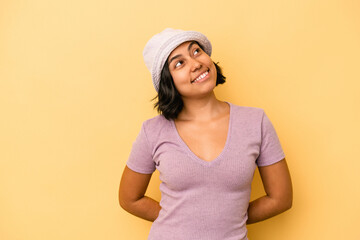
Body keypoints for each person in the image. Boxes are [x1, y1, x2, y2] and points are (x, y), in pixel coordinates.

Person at [119, 28, 292, 240]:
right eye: (179, 63)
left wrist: (229, 217)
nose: (196, 63)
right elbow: (129, 199)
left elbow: (281, 198)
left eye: (197, 51)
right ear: (168, 81)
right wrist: (182, 219)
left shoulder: (256, 122)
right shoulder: (152, 131)